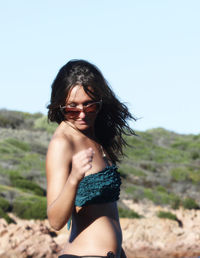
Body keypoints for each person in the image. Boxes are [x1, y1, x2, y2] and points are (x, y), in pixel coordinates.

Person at [46, 59, 134, 258]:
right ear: (60, 105)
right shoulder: (62, 143)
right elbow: (55, 221)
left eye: (89, 106)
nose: (82, 114)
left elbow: (106, 213)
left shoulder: (93, 136)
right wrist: (74, 178)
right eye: (72, 108)